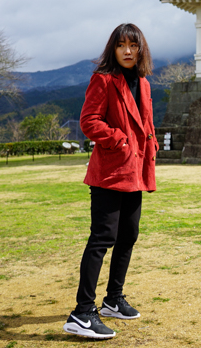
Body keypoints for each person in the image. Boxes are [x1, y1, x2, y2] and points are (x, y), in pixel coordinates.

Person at [63, 23, 159, 340]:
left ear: (141, 49)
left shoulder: (143, 83)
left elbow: (146, 121)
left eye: (133, 45)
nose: (128, 51)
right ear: (113, 49)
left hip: (136, 170)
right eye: (121, 45)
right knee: (102, 238)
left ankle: (113, 300)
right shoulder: (103, 79)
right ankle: (82, 312)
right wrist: (117, 139)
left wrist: (152, 142)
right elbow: (88, 121)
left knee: (128, 235)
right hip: (109, 170)